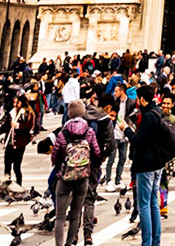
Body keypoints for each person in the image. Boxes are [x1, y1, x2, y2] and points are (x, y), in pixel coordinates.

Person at [128, 87, 175, 246]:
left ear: (142, 99)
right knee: (153, 203)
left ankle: (147, 242)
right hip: (158, 164)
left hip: (146, 165)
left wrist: (127, 131)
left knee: (143, 204)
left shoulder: (149, 116)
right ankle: (155, 241)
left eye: (138, 98)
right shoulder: (158, 112)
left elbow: (138, 141)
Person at [50, 100, 102, 246]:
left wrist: (59, 166)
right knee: (75, 214)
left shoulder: (63, 133)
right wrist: (91, 166)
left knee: (60, 216)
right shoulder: (89, 131)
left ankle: (59, 245)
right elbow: (97, 153)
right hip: (82, 177)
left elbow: (56, 155)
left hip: (65, 177)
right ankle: (69, 243)